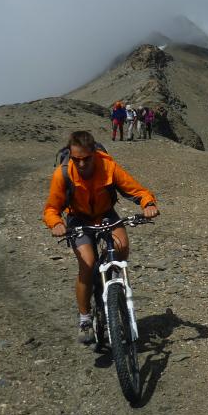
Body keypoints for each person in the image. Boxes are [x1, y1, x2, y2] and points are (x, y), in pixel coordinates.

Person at [43, 130, 159, 343]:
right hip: (78, 219)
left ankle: (110, 284)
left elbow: (137, 191)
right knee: (87, 264)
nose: (81, 164)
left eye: (86, 159)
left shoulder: (109, 167)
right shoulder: (63, 174)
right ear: (71, 155)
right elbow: (52, 208)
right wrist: (57, 223)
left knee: (121, 248)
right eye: (76, 159)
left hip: (106, 215)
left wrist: (148, 204)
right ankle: (85, 318)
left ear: (94, 153)